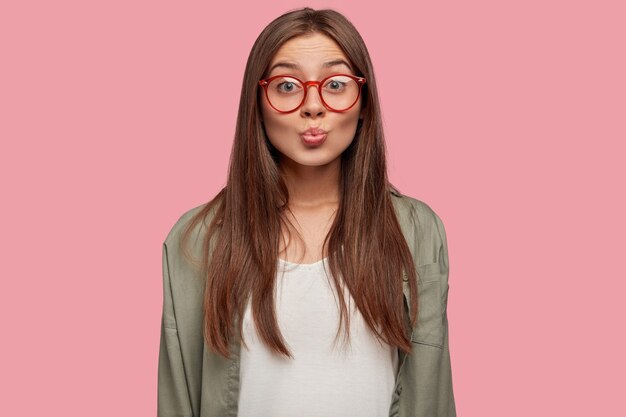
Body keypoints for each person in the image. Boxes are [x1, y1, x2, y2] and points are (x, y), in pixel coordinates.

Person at [157, 7, 456, 417]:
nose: (313, 106)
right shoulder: (195, 238)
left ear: (363, 102)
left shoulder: (418, 229)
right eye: (286, 85)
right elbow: (179, 398)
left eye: (335, 83)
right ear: (257, 103)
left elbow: (432, 393)